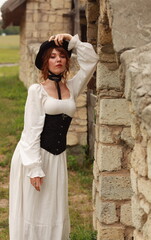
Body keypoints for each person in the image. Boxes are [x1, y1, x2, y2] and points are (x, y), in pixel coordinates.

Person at [9, 33, 98, 240]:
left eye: (62, 56)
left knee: (53, 208)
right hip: (34, 156)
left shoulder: (72, 88)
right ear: (44, 62)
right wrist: (34, 168)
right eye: (52, 56)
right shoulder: (36, 91)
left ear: (67, 60)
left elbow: (91, 61)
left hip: (57, 158)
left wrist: (71, 40)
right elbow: (30, 132)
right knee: (34, 209)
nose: (58, 60)